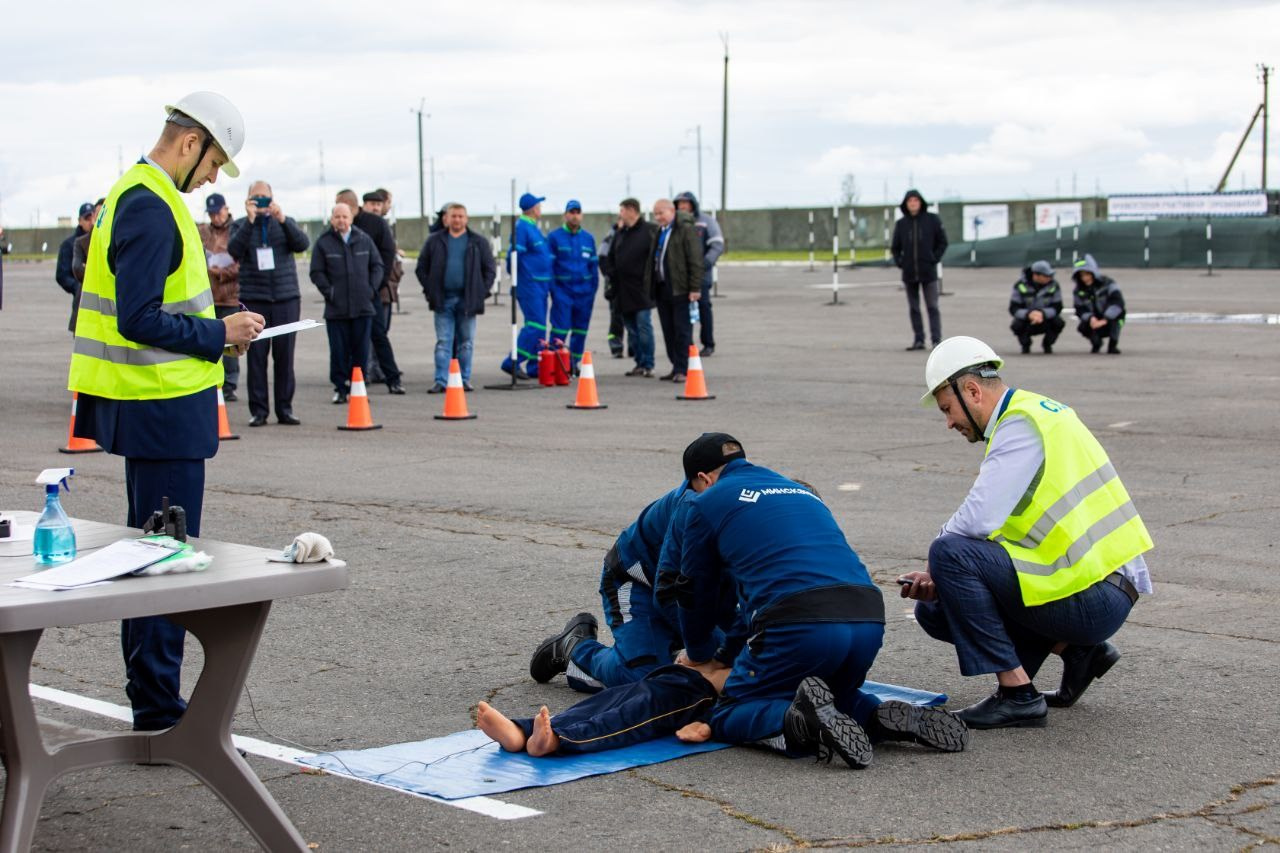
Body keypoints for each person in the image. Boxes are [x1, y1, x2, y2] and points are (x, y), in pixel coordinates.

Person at [67, 91, 262, 731]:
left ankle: (151, 698)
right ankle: (157, 705)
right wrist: (219, 335)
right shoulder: (150, 206)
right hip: (161, 408)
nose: (211, 177)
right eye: (212, 163)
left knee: (149, 552)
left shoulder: (136, 195)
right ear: (189, 142)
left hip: (156, 407)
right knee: (162, 559)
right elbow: (140, 317)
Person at [902, 337, 1154, 729]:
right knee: (934, 610)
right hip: (1101, 584)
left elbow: (977, 520)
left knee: (949, 553)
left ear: (971, 391)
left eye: (948, 409)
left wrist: (936, 565)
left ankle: (1017, 695)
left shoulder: (1020, 425)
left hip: (1096, 594)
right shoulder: (1038, 412)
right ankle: (1078, 653)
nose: (949, 421)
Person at [675, 434, 968, 766]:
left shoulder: (705, 503)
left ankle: (800, 723)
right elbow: (765, 596)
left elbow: (694, 591)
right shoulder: (798, 491)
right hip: (867, 618)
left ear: (703, 479)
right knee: (832, 696)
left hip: (799, 624)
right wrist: (729, 652)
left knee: (730, 711)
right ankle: (874, 714)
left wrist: (700, 655)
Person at [529, 478, 699, 694]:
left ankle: (665, 653)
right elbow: (668, 594)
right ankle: (575, 648)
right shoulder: (694, 511)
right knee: (643, 679)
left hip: (690, 590)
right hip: (637, 579)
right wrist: (706, 651)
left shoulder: (747, 512)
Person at [479, 662, 730, 757]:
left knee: (633, 712)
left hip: (703, 697)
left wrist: (709, 721)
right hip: (683, 675)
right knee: (608, 699)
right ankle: (522, 731)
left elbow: (755, 697)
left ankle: (558, 739)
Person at [227, 181, 309, 426]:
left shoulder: (284, 222)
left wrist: (282, 218)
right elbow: (234, 250)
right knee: (257, 358)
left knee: (285, 357)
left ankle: (285, 408)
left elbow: (302, 244)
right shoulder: (241, 225)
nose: (261, 202)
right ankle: (259, 410)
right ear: (248, 200)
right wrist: (251, 220)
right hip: (255, 299)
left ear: (273, 198)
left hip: (285, 298)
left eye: (265, 197)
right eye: (256, 198)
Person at [415, 202, 495, 393]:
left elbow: (489, 269)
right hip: (443, 300)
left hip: (467, 300)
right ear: (446, 219)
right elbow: (421, 268)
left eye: (460, 216)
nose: (457, 219)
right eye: (453, 216)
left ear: (466, 219)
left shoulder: (478, 242)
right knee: (443, 342)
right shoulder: (434, 241)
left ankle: (464, 378)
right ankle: (441, 380)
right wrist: (430, 289)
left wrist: (480, 292)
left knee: (466, 342)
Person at [312, 203, 382, 404]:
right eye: (337, 217)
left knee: (361, 350)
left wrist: (371, 289)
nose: (341, 220)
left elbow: (377, 266)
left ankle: (359, 388)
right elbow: (316, 272)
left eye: (345, 216)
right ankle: (340, 388)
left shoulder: (364, 239)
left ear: (351, 218)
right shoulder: (324, 243)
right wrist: (329, 291)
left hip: (362, 307)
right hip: (337, 310)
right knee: (339, 351)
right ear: (332, 219)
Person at [337, 189, 404, 394]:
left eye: (341, 208)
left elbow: (385, 256)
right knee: (347, 339)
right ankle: (352, 378)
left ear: (350, 205)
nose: (339, 216)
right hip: (344, 294)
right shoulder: (337, 228)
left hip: (370, 292)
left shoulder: (375, 225)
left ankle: (392, 378)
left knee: (378, 335)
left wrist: (375, 285)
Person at [644, 199, 702, 383]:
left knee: (682, 330)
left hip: (681, 288)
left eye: (661, 213)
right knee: (668, 330)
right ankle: (675, 364)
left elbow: (695, 259)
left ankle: (683, 368)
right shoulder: (660, 231)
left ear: (671, 211)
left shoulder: (685, 229)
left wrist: (694, 287)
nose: (658, 217)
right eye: (655, 214)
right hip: (663, 288)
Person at [502, 192, 554, 379]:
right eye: (539, 205)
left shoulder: (533, 227)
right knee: (535, 325)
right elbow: (513, 256)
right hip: (529, 284)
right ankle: (512, 361)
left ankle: (534, 365)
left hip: (540, 284)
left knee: (540, 326)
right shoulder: (522, 228)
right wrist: (517, 278)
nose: (541, 208)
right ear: (532, 208)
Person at [602, 199, 655, 377]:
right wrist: (610, 272)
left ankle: (648, 363)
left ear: (632, 210)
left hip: (642, 290)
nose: (620, 214)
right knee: (632, 330)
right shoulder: (620, 232)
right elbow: (610, 256)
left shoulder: (649, 230)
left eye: (622, 210)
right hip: (622, 291)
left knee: (643, 327)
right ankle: (639, 363)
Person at [891, 189, 948, 351]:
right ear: (906, 204)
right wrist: (901, 262)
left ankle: (936, 339)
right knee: (914, 308)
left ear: (921, 202)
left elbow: (943, 242)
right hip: (909, 273)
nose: (913, 203)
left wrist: (933, 258)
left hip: (928, 272)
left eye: (915, 200)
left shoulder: (932, 220)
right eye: (910, 201)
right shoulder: (901, 224)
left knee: (932, 306)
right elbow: (895, 248)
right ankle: (918, 339)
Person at [547, 199, 599, 372]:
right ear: (565, 215)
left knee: (580, 331)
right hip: (563, 292)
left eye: (577, 212)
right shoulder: (554, 238)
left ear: (581, 215)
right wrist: (555, 291)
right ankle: (555, 364)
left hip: (584, 294)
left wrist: (592, 291)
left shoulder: (588, 238)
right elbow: (549, 267)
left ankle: (573, 364)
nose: (574, 216)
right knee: (560, 329)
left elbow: (593, 267)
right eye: (571, 212)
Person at [198, 193, 241, 400]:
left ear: (226, 209)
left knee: (231, 341)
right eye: (212, 214)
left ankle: (230, 384)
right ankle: (212, 381)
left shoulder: (237, 230)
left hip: (230, 295)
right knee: (210, 341)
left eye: (218, 212)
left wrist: (221, 272)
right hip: (209, 296)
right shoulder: (203, 232)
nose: (216, 217)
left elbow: (242, 262)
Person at [674, 191, 725, 357]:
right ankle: (687, 344)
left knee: (703, 307)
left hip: (701, 276)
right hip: (681, 277)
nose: (682, 206)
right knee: (682, 311)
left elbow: (717, 245)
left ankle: (708, 343)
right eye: (679, 203)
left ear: (692, 204)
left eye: (685, 203)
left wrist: (704, 264)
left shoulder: (706, 221)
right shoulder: (675, 222)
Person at [1008, 260, 1065, 355]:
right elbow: (1014, 308)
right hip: (1027, 319)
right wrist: (1029, 315)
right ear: (1036, 275)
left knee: (1058, 322)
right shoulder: (1020, 285)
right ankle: (1025, 345)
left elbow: (1057, 307)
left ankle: (1047, 344)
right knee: (1016, 325)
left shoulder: (1054, 285)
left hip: (1046, 318)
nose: (1050, 278)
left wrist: (1042, 313)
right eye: (1046, 276)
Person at [1072, 254, 1126, 354]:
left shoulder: (1109, 283)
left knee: (1117, 319)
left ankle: (1113, 345)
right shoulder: (1078, 290)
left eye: (1087, 274)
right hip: (1094, 319)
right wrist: (1091, 318)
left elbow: (1118, 303)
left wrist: (1106, 319)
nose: (1085, 278)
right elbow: (1079, 309)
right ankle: (1096, 343)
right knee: (1082, 327)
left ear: (1093, 272)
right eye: (1081, 275)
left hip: (1110, 317)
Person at [56, 202, 96, 332]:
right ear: (80, 221)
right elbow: (62, 274)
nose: (91, 222)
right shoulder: (70, 244)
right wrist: (77, 287)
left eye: (93, 217)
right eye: (87, 218)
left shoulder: (100, 241)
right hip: (80, 300)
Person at [69, 198, 105, 333]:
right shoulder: (81, 242)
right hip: (86, 309)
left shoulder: (118, 240)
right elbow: (77, 269)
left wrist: (89, 267)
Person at [599, 218, 626, 359]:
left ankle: (634, 347)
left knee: (634, 318)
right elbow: (602, 257)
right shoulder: (611, 235)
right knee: (616, 316)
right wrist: (609, 275)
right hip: (615, 284)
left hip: (632, 285)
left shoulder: (637, 234)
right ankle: (616, 346)